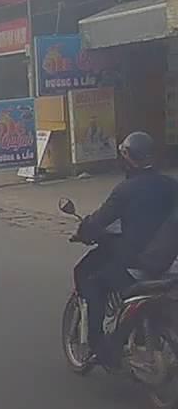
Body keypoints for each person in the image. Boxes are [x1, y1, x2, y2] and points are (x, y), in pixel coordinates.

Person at [73, 131, 178, 365]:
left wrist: (83, 231)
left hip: (139, 263)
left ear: (128, 158)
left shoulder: (125, 190)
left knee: (93, 282)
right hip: (170, 262)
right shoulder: (171, 184)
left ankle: (99, 345)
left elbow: (99, 220)